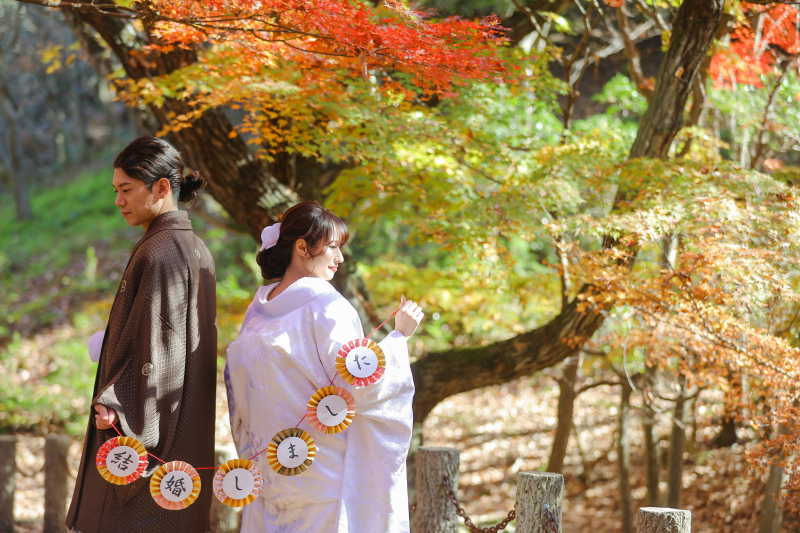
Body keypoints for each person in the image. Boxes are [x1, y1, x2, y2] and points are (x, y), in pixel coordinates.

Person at [225, 201, 423, 533]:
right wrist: (399, 337)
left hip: (273, 469)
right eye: (332, 246)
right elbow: (361, 386)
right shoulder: (327, 306)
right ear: (302, 247)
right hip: (322, 475)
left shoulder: (257, 312)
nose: (340, 257)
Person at [66, 137, 218, 532]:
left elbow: (156, 351)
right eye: (116, 191)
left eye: (127, 190)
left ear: (163, 188)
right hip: (183, 422)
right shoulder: (194, 247)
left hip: (152, 432)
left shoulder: (160, 252)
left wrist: (119, 407)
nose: (118, 201)